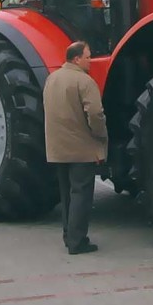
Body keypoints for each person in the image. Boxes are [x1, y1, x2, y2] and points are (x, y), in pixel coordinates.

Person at [43, 41, 107, 254]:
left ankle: (68, 235)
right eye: (88, 57)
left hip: (58, 148)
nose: (90, 61)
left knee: (67, 194)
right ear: (76, 58)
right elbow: (96, 114)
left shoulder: (51, 79)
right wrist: (100, 136)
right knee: (81, 193)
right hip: (81, 148)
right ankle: (78, 241)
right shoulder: (84, 81)